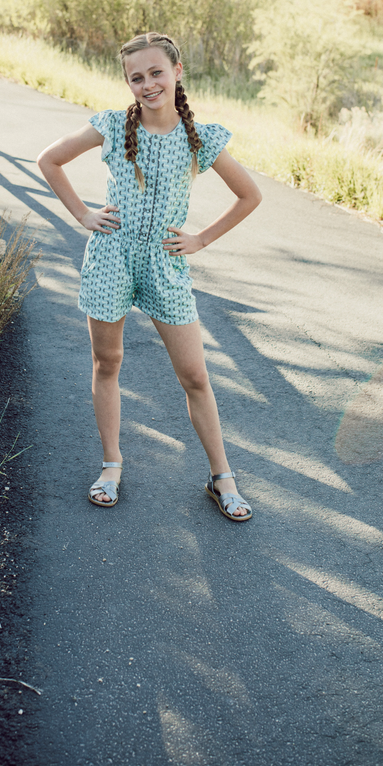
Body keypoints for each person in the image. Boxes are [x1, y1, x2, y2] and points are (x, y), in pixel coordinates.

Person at [37, 32, 262, 521]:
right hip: (111, 256)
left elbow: (250, 196)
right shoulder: (115, 127)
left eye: (156, 72)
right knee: (108, 362)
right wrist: (83, 215)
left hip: (166, 263)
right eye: (136, 77)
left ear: (177, 71)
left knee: (196, 376)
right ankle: (111, 465)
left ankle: (221, 477)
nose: (147, 84)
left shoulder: (200, 138)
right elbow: (49, 160)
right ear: (128, 83)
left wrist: (200, 240)